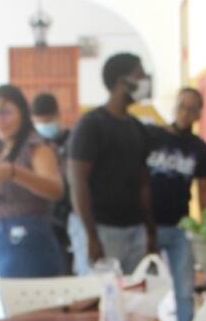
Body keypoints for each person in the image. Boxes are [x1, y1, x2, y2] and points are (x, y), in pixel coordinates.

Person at [0, 84, 65, 278]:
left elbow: (55, 189)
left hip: (29, 240)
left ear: (23, 112)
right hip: (1, 238)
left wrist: (15, 172)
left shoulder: (36, 147)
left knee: (28, 296)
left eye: (5, 113)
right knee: (9, 294)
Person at [67, 52, 156, 274]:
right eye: (139, 75)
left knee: (134, 291)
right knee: (100, 292)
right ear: (122, 81)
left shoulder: (137, 128)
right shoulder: (91, 125)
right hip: (100, 228)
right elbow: (78, 181)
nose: (145, 81)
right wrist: (91, 236)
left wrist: (150, 231)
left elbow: (143, 182)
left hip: (133, 228)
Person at [146, 86, 206, 321]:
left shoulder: (199, 148)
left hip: (179, 227)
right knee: (145, 288)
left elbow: (203, 189)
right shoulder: (154, 137)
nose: (185, 113)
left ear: (199, 114)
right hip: (148, 226)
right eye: (182, 106)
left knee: (184, 291)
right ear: (175, 107)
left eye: (192, 109)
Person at [32, 91, 73, 272]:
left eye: (48, 121)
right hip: (44, 218)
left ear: (58, 115)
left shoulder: (72, 140)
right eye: (40, 122)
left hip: (70, 214)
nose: (44, 126)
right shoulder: (33, 147)